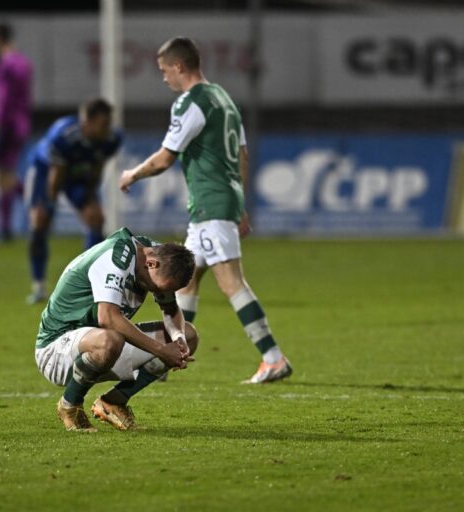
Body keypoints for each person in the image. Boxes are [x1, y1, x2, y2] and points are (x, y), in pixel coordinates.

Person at [118, 37, 292, 384]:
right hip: (218, 202)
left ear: (179, 67)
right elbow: (242, 153)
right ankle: (171, 356)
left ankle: (273, 358)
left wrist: (133, 173)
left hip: (211, 202)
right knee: (187, 279)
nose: (164, 78)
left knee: (231, 282)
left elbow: (166, 157)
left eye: (164, 71)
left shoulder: (191, 103)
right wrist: (239, 202)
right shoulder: (224, 100)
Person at [34, 227, 198, 432]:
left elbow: (171, 310)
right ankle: (70, 405)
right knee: (110, 339)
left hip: (102, 345)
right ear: (151, 264)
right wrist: (160, 350)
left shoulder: (157, 256)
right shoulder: (116, 258)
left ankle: (113, 402)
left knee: (189, 336)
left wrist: (178, 338)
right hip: (57, 351)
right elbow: (107, 318)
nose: (159, 293)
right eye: (159, 287)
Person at [24, 98, 123, 304]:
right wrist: (49, 204)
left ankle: (88, 283)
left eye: (109, 123)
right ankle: (39, 285)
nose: (108, 129)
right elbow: (55, 174)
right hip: (46, 172)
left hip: (78, 176)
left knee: (96, 218)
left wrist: (89, 196)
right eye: (103, 124)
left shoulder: (111, 139)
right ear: (87, 122)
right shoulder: (63, 135)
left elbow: (98, 168)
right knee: (40, 221)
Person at [0, 21, 32, 241]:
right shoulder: (24, 63)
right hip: (21, 123)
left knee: (3, 176)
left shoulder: (5, 64)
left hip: (6, 125)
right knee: (8, 174)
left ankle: (6, 229)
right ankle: (37, 203)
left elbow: (2, 99)